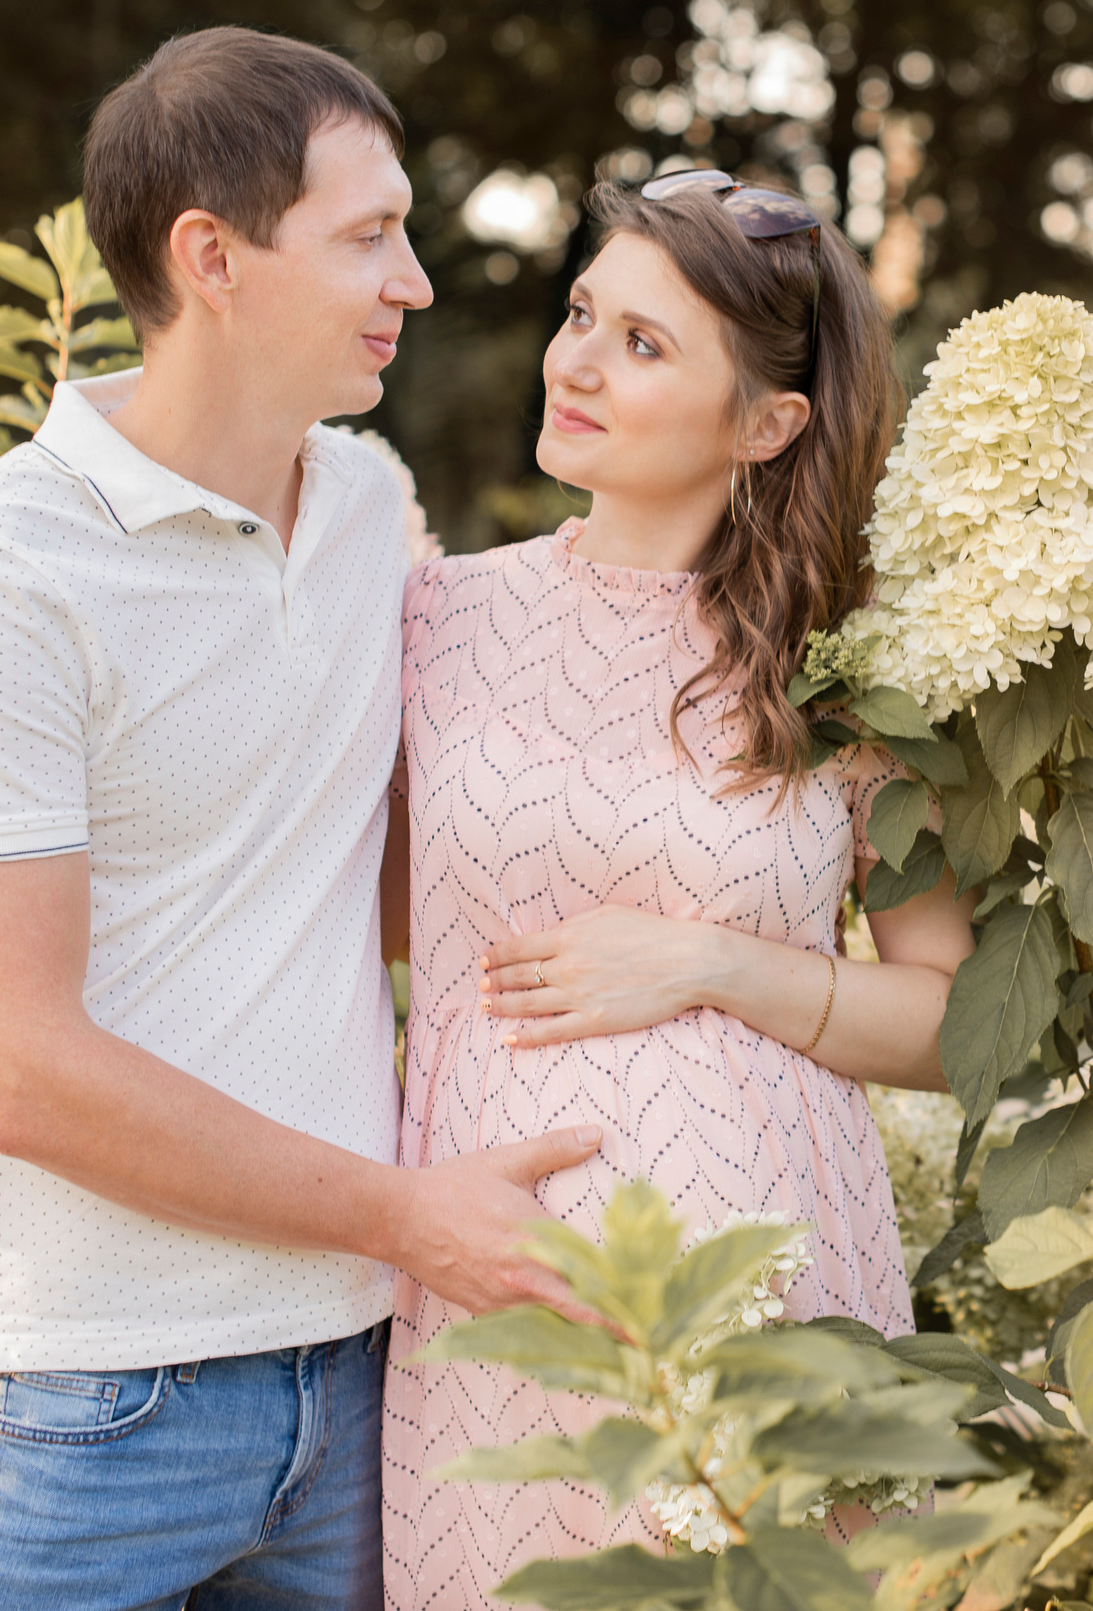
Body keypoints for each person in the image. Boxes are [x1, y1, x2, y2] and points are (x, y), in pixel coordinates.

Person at [0, 27, 602, 1610]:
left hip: (347, 1389)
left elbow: (387, 879)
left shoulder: (364, 507)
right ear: (210, 256)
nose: (413, 280)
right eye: (366, 238)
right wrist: (412, 1213)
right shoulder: (0, 578)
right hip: (87, 1410)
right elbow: (19, 1072)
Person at [378, 172, 978, 1607]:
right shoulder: (430, 614)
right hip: (490, 1316)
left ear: (768, 424)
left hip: (781, 1314)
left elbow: (962, 1022)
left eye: (644, 345)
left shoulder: (849, 674)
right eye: (585, 313)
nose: (575, 361)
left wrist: (711, 962)